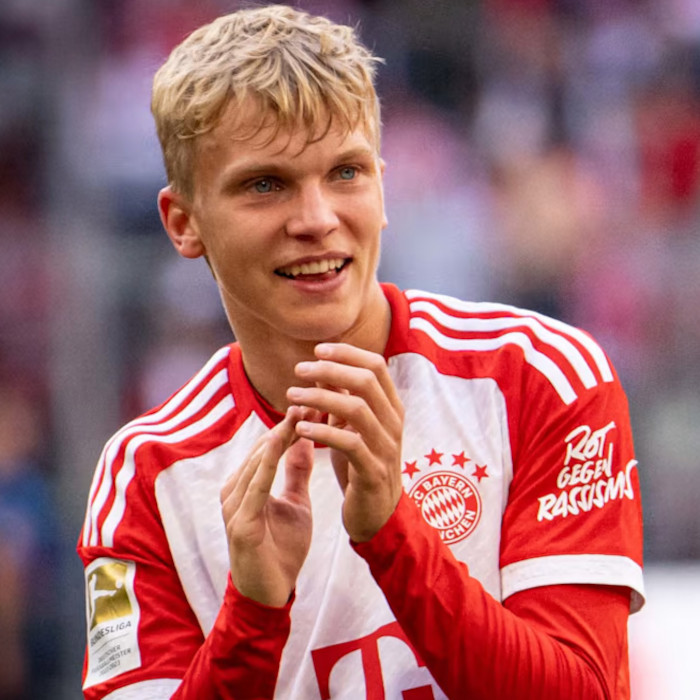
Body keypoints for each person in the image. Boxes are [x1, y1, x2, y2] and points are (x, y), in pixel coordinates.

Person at [77, 5, 644, 699]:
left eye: (345, 173)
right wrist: (252, 617)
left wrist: (391, 534)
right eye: (265, 185)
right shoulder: (144, 478)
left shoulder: (541, 376)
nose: (317, 220)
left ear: (382, 185)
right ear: (182, 222)